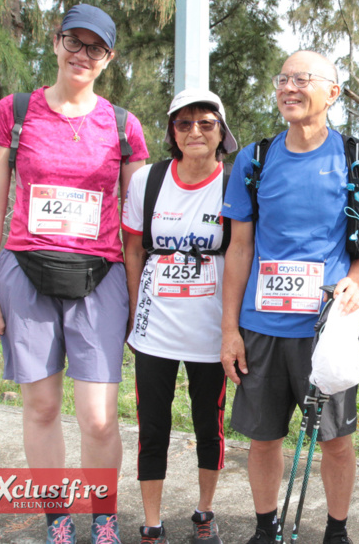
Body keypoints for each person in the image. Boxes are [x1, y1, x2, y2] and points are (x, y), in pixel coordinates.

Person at [0, 4, 149, 544]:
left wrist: (138, 296)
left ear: (108, 59)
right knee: (43, 406)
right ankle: (58, 522)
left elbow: (137, 221)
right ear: (56, 43)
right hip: (24, 271)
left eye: (95, 47)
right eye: (74, 41)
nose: (82, 54)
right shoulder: (15, 111)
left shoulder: (124, 126)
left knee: (98, 417)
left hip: (100, 278)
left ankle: (102, 518)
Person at [220, 50, 359, 544]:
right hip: (262, 327)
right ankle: (264, 527)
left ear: (333, 93)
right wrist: (230, 329)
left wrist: (357, 279)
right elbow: (239, 248)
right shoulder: (254, 159)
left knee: (334, 440)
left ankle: (336, 530)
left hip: (324, 328)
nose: (290, 88)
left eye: (303, 79)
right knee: (264, 438)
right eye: (283, 79)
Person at [123, 89, 238, 544]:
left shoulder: (232, 185)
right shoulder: (147, 181)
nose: (195, 131)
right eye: (184, 123)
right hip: (156, 329)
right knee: (153, 426)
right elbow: (133, 248)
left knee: (209, 425)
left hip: (211, 330)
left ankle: (204, 512)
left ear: (220, 133)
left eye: (206, 123)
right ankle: (151, 521)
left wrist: (235, 327)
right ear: (172, 131)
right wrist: (135, 312)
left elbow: (243, 251)